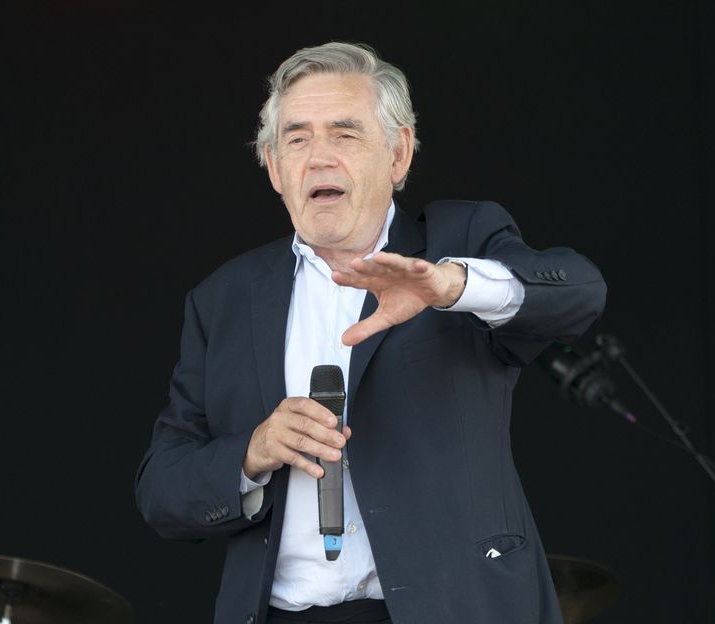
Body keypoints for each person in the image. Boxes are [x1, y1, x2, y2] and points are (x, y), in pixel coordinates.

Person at [136, 42, 606, 624]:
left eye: (345, 133)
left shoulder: (455, 243)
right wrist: (252, 453)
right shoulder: (224, 299)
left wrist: (452, 287)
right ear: (276, 169)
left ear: (398, 154)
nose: (319, 157)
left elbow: (579, 293)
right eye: (297, 138)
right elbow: (162, 490)